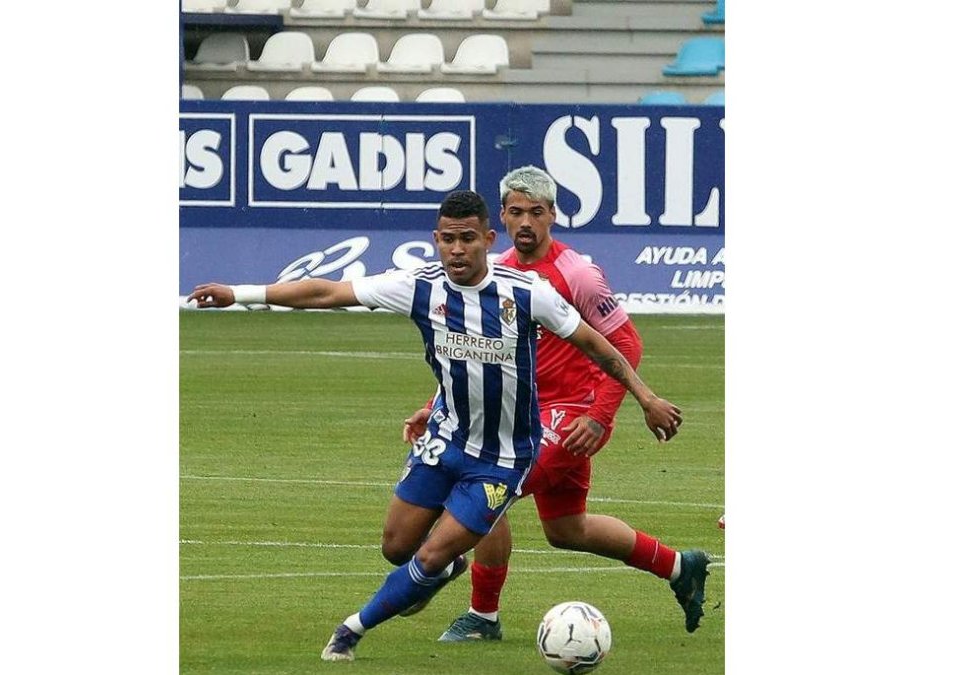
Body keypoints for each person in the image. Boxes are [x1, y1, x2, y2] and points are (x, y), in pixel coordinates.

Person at [187, 190, 684, 662]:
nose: (457, 249)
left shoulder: (528, 294)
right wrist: (239, 292)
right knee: (396, 547)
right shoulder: (420, 286)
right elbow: (327, 291)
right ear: (436, 239)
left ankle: (350, 630)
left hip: (502, 458)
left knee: (429, 553)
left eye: (467, 238)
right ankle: (446, 568)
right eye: (447, 239)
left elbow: (598, 344)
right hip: (445, 440)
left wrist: (645, 398)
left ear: (489, 240)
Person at [401, 167, 711, 642]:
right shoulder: (496, 270)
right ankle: (679, 567)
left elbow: (625, 343)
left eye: (537, 213)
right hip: (522, 416)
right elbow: (476, 355)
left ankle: (481, 616)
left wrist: (600, 414)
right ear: (501, 216)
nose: (526, 222)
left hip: (572, 415)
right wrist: (434, 405)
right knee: (567, 528)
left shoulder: (577, 273)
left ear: (553, 216)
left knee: (489, 488)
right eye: (517, 212)